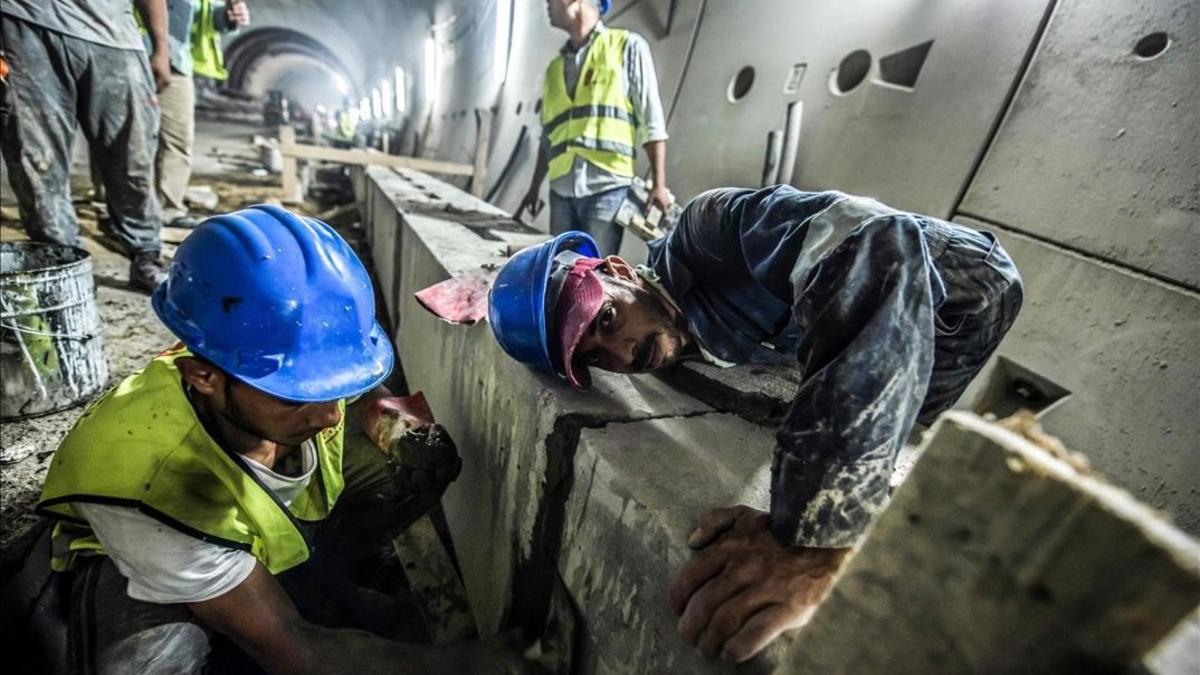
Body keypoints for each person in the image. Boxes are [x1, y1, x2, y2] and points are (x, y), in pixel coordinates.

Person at [488, 185, 1024, 663]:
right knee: (885, 449)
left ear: (621, 273)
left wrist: (813, 537)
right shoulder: (674, 341)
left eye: (606, 320)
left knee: (874, 450)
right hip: (902, 304)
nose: (623, 353)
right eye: (597, 358)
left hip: (961, 286)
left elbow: (881, 244)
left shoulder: (711, 232)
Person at [37, 206, 533, 673]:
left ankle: (319, 579)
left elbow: (351, 381)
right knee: (151, 661)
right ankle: (266, 603)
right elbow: (297, 654)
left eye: (333, 385)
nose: (327, 415)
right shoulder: (150, 484)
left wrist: (392, 416)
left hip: (245, 532)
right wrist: (460, 664)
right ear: (203, 376)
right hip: (149, 562)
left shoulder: (273, 355)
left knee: (416, 461)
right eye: (297, 397)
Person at [1, 0, 170, 291]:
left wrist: (162, 48)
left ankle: (146, 254)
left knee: (134, 154)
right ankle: (62, 265)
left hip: (114, 35)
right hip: (25, 24)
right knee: (38, 159)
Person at [513, 0, 671, 255]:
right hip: (561, 189)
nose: (546, 3)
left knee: (596, 277)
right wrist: (533, 189)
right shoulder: (554, 69)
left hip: (607, 186)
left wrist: (658, 185)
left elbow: (652, 120)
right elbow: (548, 138)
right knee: (560, 272)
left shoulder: (627, 46)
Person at [150, 0, 249, 229]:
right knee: (126, 134)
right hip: (136, 47)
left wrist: (226, 16)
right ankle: (115, 203)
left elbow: (201, 19)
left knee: (178, 139)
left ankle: (168, 209)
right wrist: (158, 48)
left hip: (177, 61)